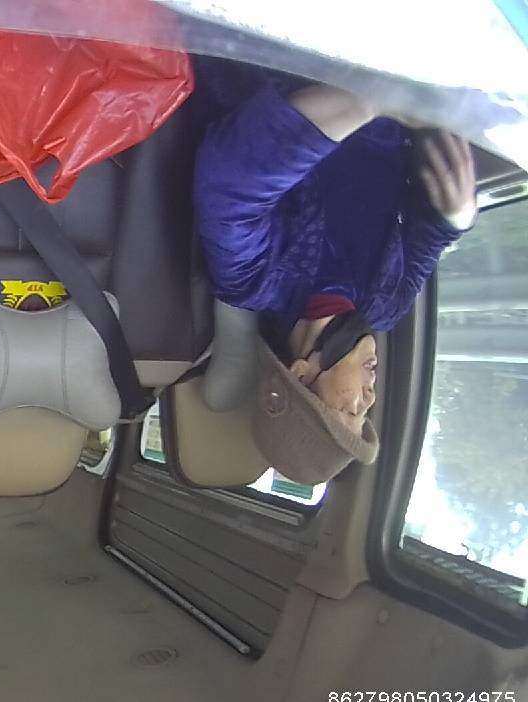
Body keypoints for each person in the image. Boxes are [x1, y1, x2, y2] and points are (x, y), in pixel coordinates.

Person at [194, 82, 476, 485]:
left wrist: (368, 99)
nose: (370, 397)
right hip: (400, 89)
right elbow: (432, 237)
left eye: (350, 410)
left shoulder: (253, 278)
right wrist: (458, 216)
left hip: (280, 67)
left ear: (302, 375)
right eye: (367, 412)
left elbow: (230, 182)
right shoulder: (387, 307)